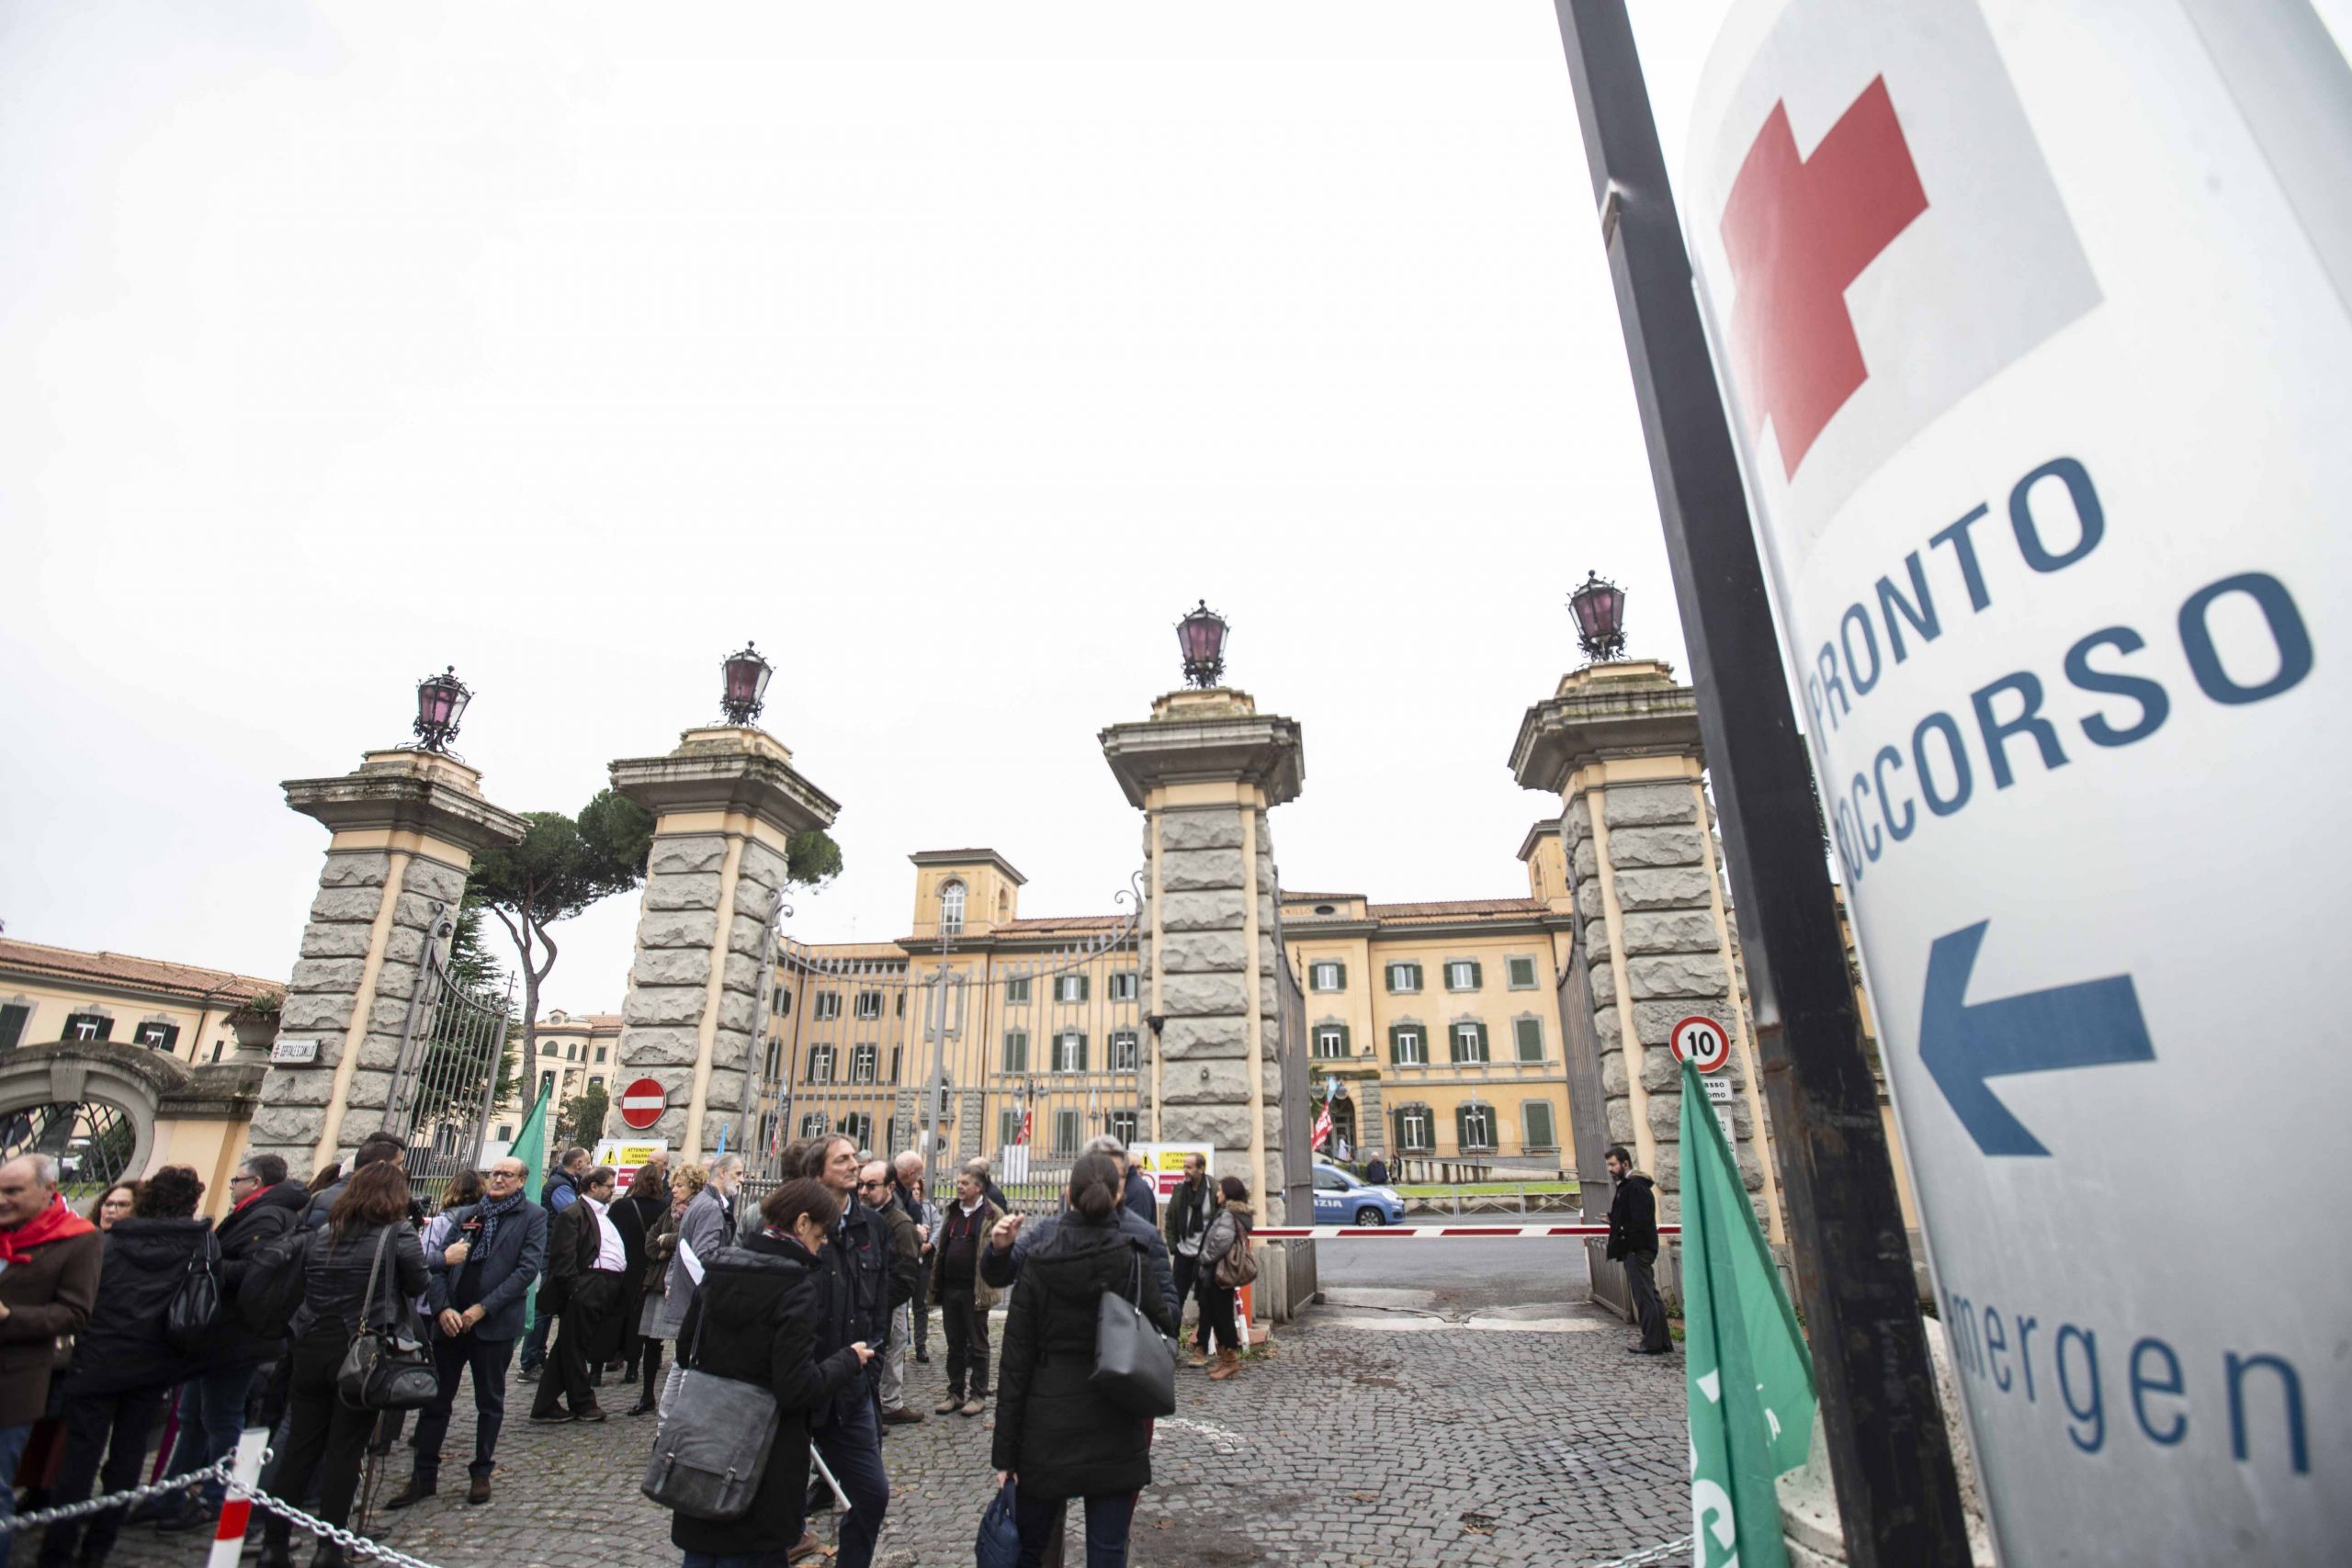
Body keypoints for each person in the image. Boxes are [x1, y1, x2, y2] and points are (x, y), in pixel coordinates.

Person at [670, 1179, 873, 1568]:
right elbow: (796, 1388)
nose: (825, 1243)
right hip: (761, 1461)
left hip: (705, 1443)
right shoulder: (794, 1287)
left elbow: (685, 1350)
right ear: (801, 1225)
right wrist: (847, 1359)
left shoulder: (721, 1266)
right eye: (822, 1233)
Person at [992, 1152, 1174, 1568]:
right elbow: (1165, 1326)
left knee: (1033, 1551)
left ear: (1068, 1195)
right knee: (1108, 1554)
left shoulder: (1039, 1259)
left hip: (1045, 1428)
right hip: (1115, 1417)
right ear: (1119, 1195)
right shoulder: (1132, 1256)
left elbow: (1015, 1364)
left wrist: (1005, 1455)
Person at [39, 1166, 213, 1567]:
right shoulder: (199, 1246)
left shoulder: (106, 1244)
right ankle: (98, 1547)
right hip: (154, 1364)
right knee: (127, 1459)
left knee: (78, 1461)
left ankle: (57, 1548)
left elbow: (82, 1299)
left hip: (98, 1358)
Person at [257, 1160, 428, 1568]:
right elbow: (419, 1284)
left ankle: (273, 1543)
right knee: (345, 1452)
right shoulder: (396, 1233)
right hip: (360, 1350)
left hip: (312, 1343)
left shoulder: (322, 1234)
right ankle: (329, 1546)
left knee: (300, 1447)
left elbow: (302, 1284)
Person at [153, 1152, 308, 1531]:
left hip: (238, 1333)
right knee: (193, 1416)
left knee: (222, 1417)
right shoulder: (260, 1212)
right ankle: (173, 1493)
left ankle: (217, 1498)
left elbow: (258, 1272)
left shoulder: (268, 1216)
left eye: (236, 1180)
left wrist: (209, 1267)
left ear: (255, 1183)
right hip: (222, 1334)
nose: (232, 1186)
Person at [394, 1156, 547, 1508]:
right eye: (494, 1173)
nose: (497, 1179)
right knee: (436, 1401)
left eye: (506, 1175)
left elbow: (525, 1272)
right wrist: (443, 1307)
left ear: (522, 1180)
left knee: (489, 1402)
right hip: (450, 1322)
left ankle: (481, 1471)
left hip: (492, 1323)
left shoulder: (533, 1218)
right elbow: (440, 1264)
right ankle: (423, 1475)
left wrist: (483, 1308)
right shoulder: (468, 1215)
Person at [0, 1155, 102, 1566]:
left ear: (48, 1190)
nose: (2, 1199)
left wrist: (11, 1317)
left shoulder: (78, 1238)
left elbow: (75, 1314)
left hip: (12, 1384)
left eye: (12, 1191)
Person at [801, 1135, 897, 1568]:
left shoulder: (872, 1226)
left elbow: (880, 1302)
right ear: (818, 1171)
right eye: (842, 1159)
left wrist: (870, 1369)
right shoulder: (796, 1222)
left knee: (871, 1493)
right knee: (781, 1501)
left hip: (853, 1385)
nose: (854, 1164)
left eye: (855, 1157)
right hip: (802, 1381)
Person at [982, 1142, 1175, 1316]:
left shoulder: (1145, 1237)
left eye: (1114, 1174)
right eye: (1096, 1173)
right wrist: (1000, 1250)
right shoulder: (1048, 1230)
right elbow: (999, 1276)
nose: (1104, 1182)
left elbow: (1169, 1311)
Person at [530, 1165, 626, 1424]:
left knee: (567, 1347)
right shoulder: (573, 1213)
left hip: (602, 1285)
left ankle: (544, 1405)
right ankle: (583, 1402)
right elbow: (563, 1258)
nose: (612, 1191)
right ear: (593, 1186)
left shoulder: (599, 1213)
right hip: (587, 1286)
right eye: (609, 1186)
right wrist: (576, 1289)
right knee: (574, 1348)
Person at [658, 1153, 741, 1418]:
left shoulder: (704, 1203)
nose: (742, 1180)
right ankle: (673, 1427)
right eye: (738, 1174)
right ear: (722, 1174)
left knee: (682, 1364)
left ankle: (667, 1425)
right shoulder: (710, 1207)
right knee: (689, 1365)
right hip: (700, 1296)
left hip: (692, 1295)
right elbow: (706, 1254)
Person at [929, 1165, 1002, 1416]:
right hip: (951, 1288)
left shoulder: (992, 1214)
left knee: (978, 1344)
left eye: (965, 1183)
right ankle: (955, 1393)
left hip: (976, 1289)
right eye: (958, 1182)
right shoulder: (952, 1212)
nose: (959, 1186)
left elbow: (1000, 1253)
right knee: (954, 1344)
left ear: (979, 1187)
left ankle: (978, 1394)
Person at [633, 1162, 704, 1416]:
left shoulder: (698, 1211)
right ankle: (647, 1394)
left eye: (679, 1185)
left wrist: (669, 1242)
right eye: (673, 1184)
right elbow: (651, 1242)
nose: (673, 1190)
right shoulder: (669, 1211)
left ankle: (680, 1397)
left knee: (683, 1342)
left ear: (693, 1187)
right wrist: (664, 1247)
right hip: (657, 1280)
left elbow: (690, 1242)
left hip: (682, 1283)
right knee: (651, 1341)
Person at [518, 1146, 592, 1379]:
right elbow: (573, 1214)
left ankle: (537, 1355)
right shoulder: (561, 1185)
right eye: (588, 1163)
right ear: (578, 1164)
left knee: (547, 1307)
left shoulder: (565, 1182)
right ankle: (531, 1361)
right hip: (551, 1252)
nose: (589, 1167)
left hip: (553, 1251)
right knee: (544, 1307)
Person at [865, 1161, 926, 1427]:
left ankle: (885, 1406)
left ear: (890, 1187)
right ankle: (876, 1408)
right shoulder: (859, 1215)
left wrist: (878, 1302)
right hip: (867, 1302)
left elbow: (905, 1276)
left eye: (870, 1185)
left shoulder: (898, 1223)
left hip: (884, 1302)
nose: (863, 1191)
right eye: (860, 1185)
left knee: (891, 1345)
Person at [1605, 1145, 1671, 1355]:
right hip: (1639, 1246)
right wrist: (1614, 1219)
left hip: (1637, 1248)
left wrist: (1626, 1238)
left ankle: (1652, 1342)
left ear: (1625, 1164)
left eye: (1613, 1164)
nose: (1610, 1169)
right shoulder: (1631, 1185)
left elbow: (1640, 1219)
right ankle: (1662, 1341)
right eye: (1608, 1165)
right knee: (1651, 1294)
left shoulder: (1635, 1186)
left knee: (1644, 1296)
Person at [613, 1153, 670, 1382]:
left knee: (616, 1314)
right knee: (640, 1318)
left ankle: (599, 1366)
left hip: (623, 1265)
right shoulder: (664, 1207)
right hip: (649, 1267)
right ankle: (634, 1367)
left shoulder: (621, 1206)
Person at [1195, 1175, 1253, 1381]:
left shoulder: (1228, 1215)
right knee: (1216, 1312)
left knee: (1223, 1317)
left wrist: (1204, 1257)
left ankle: (1231, 1362)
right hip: (1217, 1270)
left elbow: (1222, 1241)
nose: (1217, 1193)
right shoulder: (1229, 1213)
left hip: (1219, 1270)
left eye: (1220, 1190)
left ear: (1228, 1194)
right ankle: (1225, 1360)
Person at [1159, 1154, 1214, 1367]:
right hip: (1183, 1253)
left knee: (1205, 1302)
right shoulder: (1179, 1191)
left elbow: (1220, 1220)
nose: (1185, 1170)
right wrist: (1173, 1245)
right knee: (1175, 1299)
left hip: (1205, 1256)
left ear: (1201, 1168)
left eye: (1190, 1167)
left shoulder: (1213, 1190)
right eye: (1184, 1166)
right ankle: (1172, 1345)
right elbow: (1170, 1219)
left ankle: (1200, 1348)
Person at [300, 1132, 405, 1229]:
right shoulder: (346, 1202)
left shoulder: (370, 1201)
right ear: (381, 1165)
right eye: (399, 1164)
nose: (401, 1171)